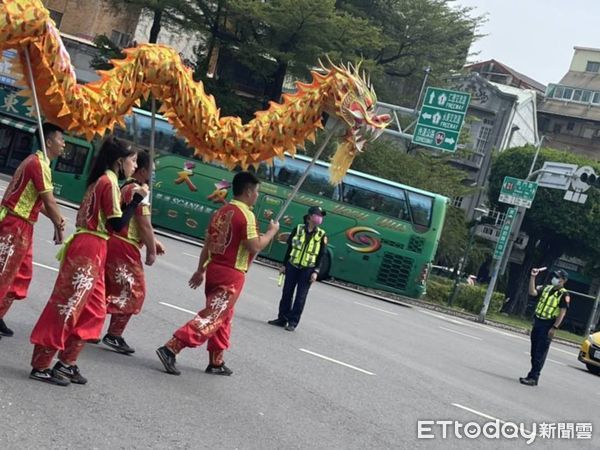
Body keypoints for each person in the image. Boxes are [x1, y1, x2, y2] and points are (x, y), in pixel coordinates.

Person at [29, 137, 148, 386]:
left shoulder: (110, 181)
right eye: (133, 160)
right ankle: (41, 364)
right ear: (120, 161)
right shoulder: (108, 182)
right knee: (68, 305)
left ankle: (66, 362)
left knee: (93, 310)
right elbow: (117, 225)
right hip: (88, 247)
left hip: (97, 247)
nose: (136, 165)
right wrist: (137, 201)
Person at [156, 171, 279, 376]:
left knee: (223, 316)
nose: (257, 196)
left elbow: (208, 244)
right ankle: (171, 348)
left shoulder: (221, 212)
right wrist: (271, 232)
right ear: (248, 191)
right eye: (256, 192)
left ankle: (216, 361)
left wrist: (200, 269)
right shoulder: (246, 215)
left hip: (214, 269)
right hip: (231, 274)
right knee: (213, 316)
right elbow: (254, 245)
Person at [0, 123, 65, 339]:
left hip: (25, 224)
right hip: (15, 223)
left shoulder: (39, 163)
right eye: (60, 139)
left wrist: (57, 220)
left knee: (21, 275)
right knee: (4, 273)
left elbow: (40, 203)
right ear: (48, 142)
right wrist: (58, 222)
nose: (63, 144)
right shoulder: (38, 164)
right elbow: (49, 200)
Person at [102, 150, 165, 354]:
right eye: (152, 171)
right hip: (125, 245)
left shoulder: (126, 186)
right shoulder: (138, 191)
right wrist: (151, 251)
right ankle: (114, 334)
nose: (153, 175)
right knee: (134, 291)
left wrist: (153, 241)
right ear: (144, 170)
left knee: (106, 288)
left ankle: (88, 324)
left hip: (115, 242)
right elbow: (144, 225)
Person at [268, 206, 328, 332]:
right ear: (310, 216)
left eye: (321, 216)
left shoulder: (321, 235)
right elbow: (290, 248)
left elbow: (321, 255)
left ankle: (293, 322)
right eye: (317, 215)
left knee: (300, 297)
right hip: (293, 265)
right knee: (287, 293)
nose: (319, 218)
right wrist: (284, 265)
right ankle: (282, 318)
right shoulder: (298, 229)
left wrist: (316, 271)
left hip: (308, 269)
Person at [519, 268, 570, 387]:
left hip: (548, 325)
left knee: (539, 353)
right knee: (534, 350)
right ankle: (531, 375)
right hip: (538, 322)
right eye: (555, 276)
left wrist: (554, 327)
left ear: (564, 280)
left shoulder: (564, 294)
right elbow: (532, 292)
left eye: (558, 277)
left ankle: (534, 377)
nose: (555, 279)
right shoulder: (547, 288)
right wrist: (533, 277)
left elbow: (562, 313)